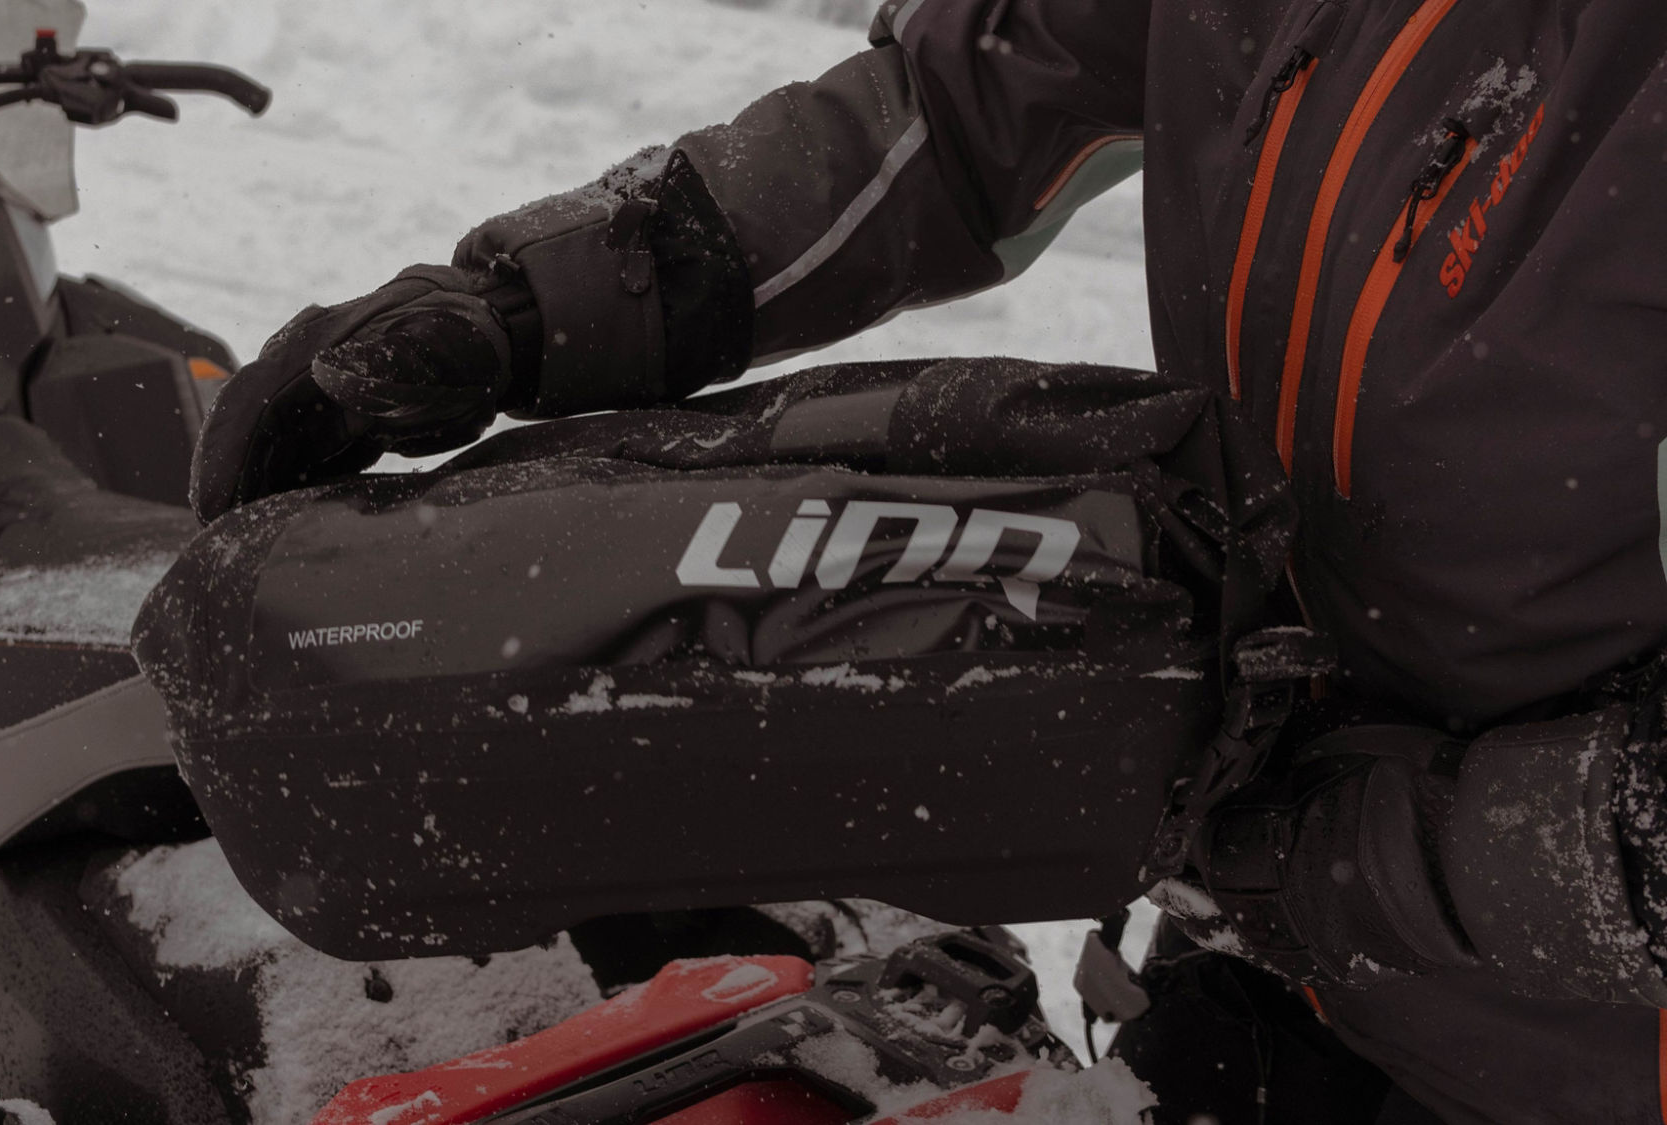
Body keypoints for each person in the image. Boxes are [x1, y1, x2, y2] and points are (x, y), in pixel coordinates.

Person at [191, 1, 1667, 1120]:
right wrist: (522, 309)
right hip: (1293, 974)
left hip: (1571, 1056)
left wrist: (1333, 853)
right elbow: (945, 115)